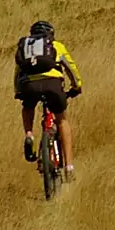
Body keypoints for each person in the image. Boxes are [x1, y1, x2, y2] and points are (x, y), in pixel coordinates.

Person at [14, 20, 83, 177]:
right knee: (61, 121)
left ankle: (29, 134)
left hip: (28, 85)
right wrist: (76, 86)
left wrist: (18, 91)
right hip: (52, 85)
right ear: (50, 34)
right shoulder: (56, 45)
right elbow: (70, 67)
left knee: (28, 106)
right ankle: (69, 167)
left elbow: (18, 71)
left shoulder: (26, 48)